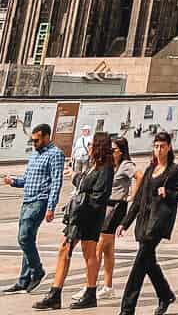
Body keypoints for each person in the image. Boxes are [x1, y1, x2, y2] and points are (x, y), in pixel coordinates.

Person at [33, 131, 114, 309]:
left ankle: (90, 292)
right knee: (65, 249)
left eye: (92, 145)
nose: (89, 147)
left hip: (89, 217)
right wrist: (78, 176)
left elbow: (98, 195)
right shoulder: (95, 165)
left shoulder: (106, 169)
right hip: (80, 215)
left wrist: (76, 177)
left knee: (89, 252)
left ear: (99, 147)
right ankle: (55, 292)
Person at [117, 132, 178, 315]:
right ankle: (165, 295)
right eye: (156, 146)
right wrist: (125, 223)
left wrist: (168, 193)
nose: (159, 150)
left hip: (158, 223)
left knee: (138, 266)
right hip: (144, 222)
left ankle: (127, 309)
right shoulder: (150, 170)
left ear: (169, 147)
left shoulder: (174, 170)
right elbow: (139, 198)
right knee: (148, 262)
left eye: (162, 146)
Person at [2, 122, 66, 296]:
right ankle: (24, 280)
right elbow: (28, 179)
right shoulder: (33, 155)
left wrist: (51, 207)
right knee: (28, 238)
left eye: (37, 140)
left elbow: (56, 182)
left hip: (40, 201)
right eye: (32, 140)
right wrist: (14, 181)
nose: (34, 143)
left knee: (23, 238)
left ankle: (37, 270)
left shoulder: (55, 154)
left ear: (46, 137)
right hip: (27, 200)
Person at [98, 138, 139, 301]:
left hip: (116, 207)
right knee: (108, 249)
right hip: (106, 206)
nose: (110, 152)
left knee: (99, 245)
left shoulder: (126, 165)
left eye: (113, 150)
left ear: (120, 151)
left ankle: (91, 284)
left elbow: (139, 176)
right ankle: (107, 286)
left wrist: (132, 196)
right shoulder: (110, 166)